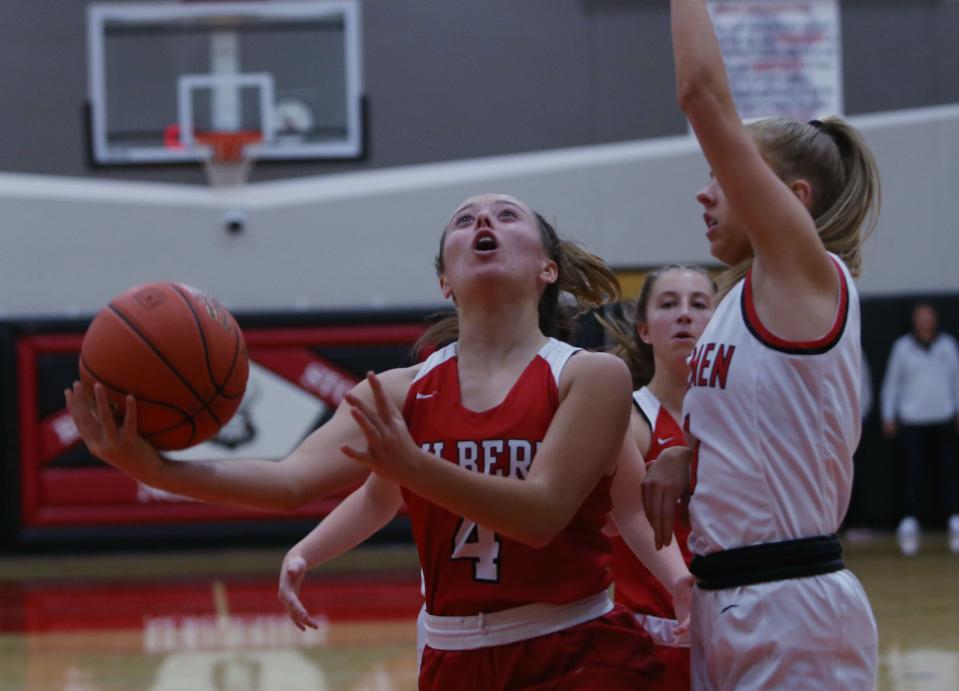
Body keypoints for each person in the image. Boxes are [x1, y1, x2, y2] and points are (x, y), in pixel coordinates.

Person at [68, 193, 690, 690]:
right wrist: (152, 467)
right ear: (445, 278)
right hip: (453, 658)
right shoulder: (401, 391)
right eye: (465, 220)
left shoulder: (589, 375)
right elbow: (290, 482)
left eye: (506, 216)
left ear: (547, 269)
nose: (484, 223)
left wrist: (412, 467)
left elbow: (542, 513)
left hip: (577, 649)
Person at [642, 2, 882, 689]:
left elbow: (700, 96)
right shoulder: (731, 304)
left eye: (724, 174)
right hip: (720, 596)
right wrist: (690, 452)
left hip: (791, 602)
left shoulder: (808, 278)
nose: (704, 191)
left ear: (790, 199)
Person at [602, 265, 716, 690]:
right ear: (645, 330)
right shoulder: (628, 418)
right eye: (669, 304)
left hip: (737, 633)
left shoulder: (739, 417)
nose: (684, 314)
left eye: (699, 304)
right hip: (654, 644)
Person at [880, 302, 959, 555]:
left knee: (947, 471)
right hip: (912, 419)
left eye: (928, 317)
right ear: (914, 321)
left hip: (943, 417)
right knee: (912, 472)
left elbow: (957, 380)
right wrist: (888, 414)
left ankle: (953, 517)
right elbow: (892, 383)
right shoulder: (902, 348)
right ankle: (909, 520)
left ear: (935, 319)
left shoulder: (947, 346)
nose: (925, 321)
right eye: (920, 317)